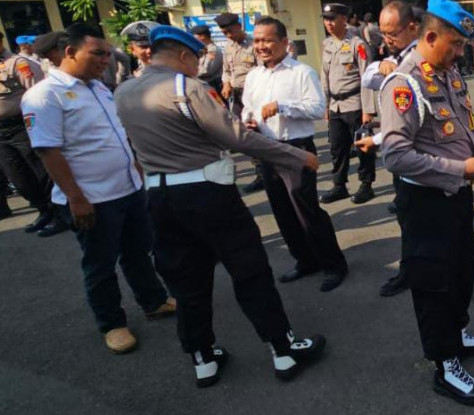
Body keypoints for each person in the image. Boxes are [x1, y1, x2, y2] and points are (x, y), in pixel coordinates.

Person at [114, 25, 326, 388]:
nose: (198, 67)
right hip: (207, 193)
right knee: (249, 271)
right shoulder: (187, 88)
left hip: (160, 198)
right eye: (195, 59)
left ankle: (203, 357)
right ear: (183, 55)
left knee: (186, 280)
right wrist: (296, 156)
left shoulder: (124, 91)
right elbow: (238, 137)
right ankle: (283, 349)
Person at [381, 0, 474, 406]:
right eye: (455, 45)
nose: (460, 54)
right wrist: (463, 170)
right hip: (425, 203)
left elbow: (468, 128)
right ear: (431, 36)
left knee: (461, 272)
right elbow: (395, 155)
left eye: (462, 47)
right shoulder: (403, 84)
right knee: (433, 284)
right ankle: (445, 364)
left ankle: (457, 334)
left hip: (457, 196)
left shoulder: (449, 74)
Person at [21, 23, 175, 354]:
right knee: (100, 264)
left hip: (128, 189)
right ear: (70, 52)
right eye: (98, 53)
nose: (106, 59)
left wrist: (135, 168)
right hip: (92, 198)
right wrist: (76, 198)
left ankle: (154, 301)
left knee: (138, 253)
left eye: (107, 53)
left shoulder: (99, 88)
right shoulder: (45, 96)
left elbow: (117, 135)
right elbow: (49, 150)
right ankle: (112, 323)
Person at [242, 16, 349, 292]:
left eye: (267, 40)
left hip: (295, 149)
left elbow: (316, 109)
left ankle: (333, 265)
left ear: (284, 43)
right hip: (267, 149)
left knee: (306, 210)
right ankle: (305, 261)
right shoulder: (254, 76)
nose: (261, 46)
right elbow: (247, 108)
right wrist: (249, 120)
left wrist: (283, 106)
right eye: (256, 40)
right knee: (282, 212)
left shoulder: (301, 72)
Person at [359, 0, 420, 297]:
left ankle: (418, 273)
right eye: (383, 34)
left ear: (412, 28)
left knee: (419, 223)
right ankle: (411, 270)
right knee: (407, 219)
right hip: (401, 156)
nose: (387, 40)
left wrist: (380, 138)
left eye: (392, 33)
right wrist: (387, 67)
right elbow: (368, 77)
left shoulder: (421, 59)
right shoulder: (393, 58)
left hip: (422, 156)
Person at [319, 3, 376, 205]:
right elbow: (324, 77)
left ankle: (366, 184)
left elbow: (367, 78)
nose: (329, 23)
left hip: (355, 104)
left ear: (344, 19)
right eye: (326, 19)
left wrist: (368, 110)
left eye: (333, 18)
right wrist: (325, 105)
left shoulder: (357, 44)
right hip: (335, 105)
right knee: (337, 147)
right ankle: (339, 185)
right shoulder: (327, 44)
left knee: (362, 147)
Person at [0, 34, 57, 235]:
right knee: (18, 177)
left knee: (41, 171)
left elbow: (36, 92)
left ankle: (59, 214)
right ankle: (43, 210)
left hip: (22, 125)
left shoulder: (17, 63)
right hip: (2, 132)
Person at [215, 12, 264, 193]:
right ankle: (260, 170)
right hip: (236, 97)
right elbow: (226, 70)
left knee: (259, 133)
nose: (228, 35)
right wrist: (226, 82)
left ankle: (266, 171)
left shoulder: (253, 45)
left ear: (239, 26)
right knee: (243, 134)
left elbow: (262, 71)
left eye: (230, 31)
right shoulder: (228, 47)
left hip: (254, 96)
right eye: (224, 33)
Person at [191, 24, 223, 93]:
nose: (193, 38)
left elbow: (207, 71)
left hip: (213, 86)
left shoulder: (213, 50)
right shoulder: (203, 50)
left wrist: (190, 74)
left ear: (202, 36)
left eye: (195, 36)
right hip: (204, 85)